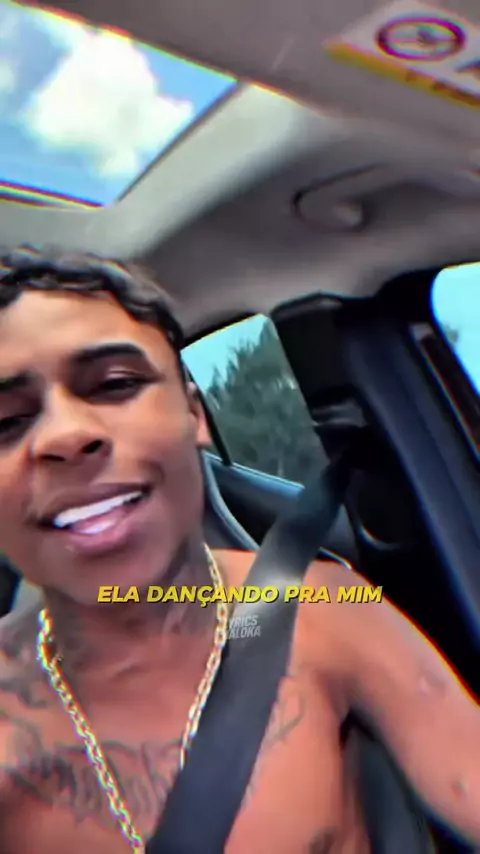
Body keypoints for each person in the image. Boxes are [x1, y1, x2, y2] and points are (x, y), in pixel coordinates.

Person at [0, 246, 477, 854]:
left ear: (194, 413)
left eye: (116, 384)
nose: (67, 436)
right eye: (5, 422)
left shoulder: (324, 609)